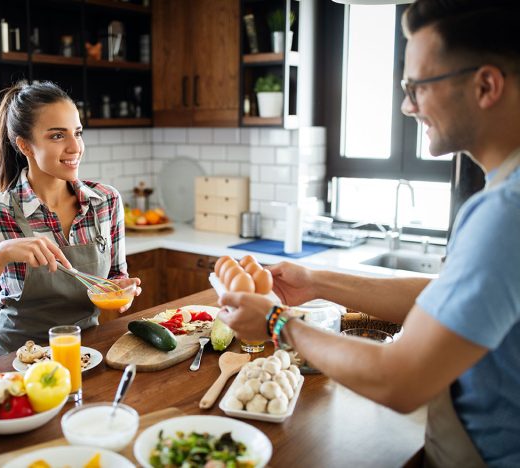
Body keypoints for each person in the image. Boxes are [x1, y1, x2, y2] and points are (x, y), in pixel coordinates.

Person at [219, 1, 520, 466]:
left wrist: (279, 323)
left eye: (416, 87)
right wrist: (316, 282)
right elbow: (443, 299)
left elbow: (401, 380)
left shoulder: (503, 212)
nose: (406, 105)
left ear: (485, 85)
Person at [0, 81, 141, 361]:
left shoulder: (105, 202)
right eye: (57, 136)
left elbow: (115, 277)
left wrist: (121, 290)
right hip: (13, 365)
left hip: (82, 357)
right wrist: (1, 255)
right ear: (25, 146)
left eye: (77, 133)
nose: (74, 147)